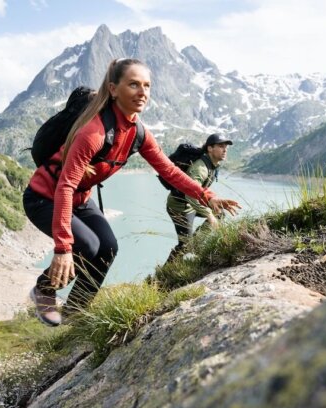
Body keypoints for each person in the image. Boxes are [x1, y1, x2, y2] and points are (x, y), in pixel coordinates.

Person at [23, 58, 241, 326]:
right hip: (45, 197)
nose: (142, 92)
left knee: (109, 248)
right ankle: (44, 289)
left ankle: (75, 315)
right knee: (88, 246)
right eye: (134, 84)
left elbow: (170, 171)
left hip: (80, 198)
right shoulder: (93, 132)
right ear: (113, 89)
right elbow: (65, 186)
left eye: (147, 86)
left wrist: (208, 196)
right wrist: (62, 248)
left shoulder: (137, 132)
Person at [165, 133, 233, 263]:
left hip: (192, 204)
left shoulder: (212, 164)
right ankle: (162, 275)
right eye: (220, 146)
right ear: (210, 148)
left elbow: (201, 189)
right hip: (180, 207)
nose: (225, 150)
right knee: (184, 246)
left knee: (219, 213)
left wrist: (213, 200)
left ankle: (195, 245)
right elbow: (190, 194)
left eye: (226, 147)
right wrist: (208, 214)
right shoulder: (200, 168)